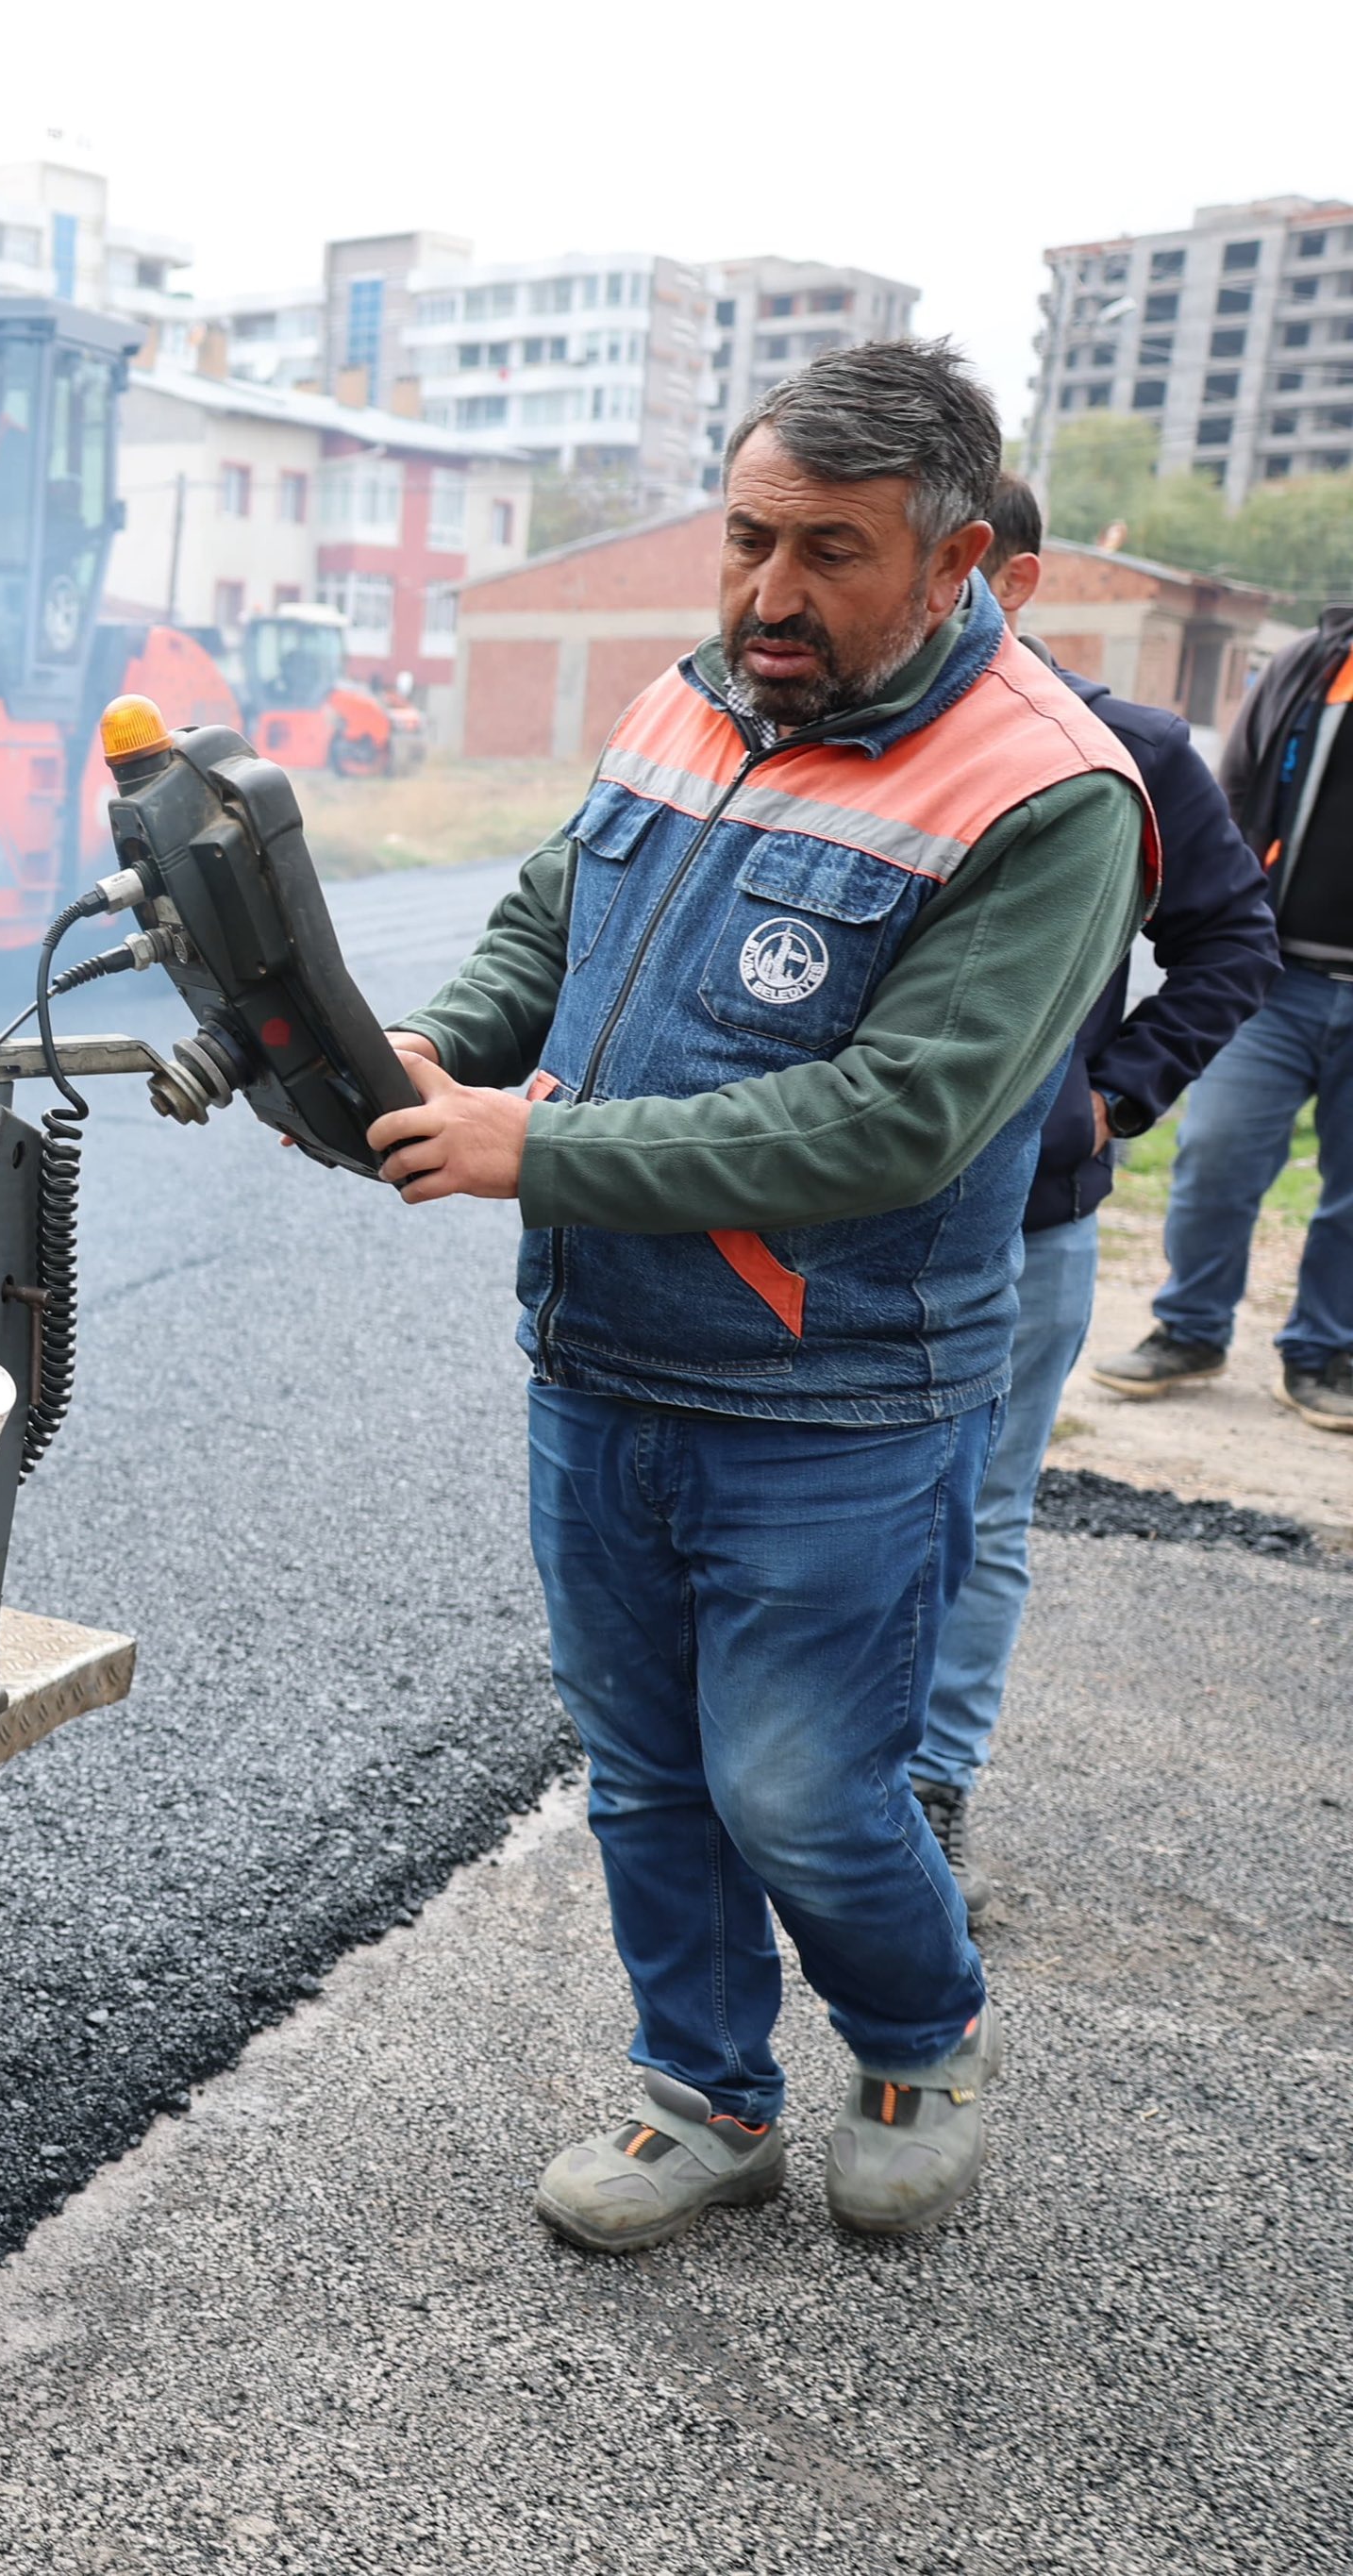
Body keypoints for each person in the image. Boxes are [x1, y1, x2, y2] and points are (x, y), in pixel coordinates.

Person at [368, 342, 1154, 2253]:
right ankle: (701, 2097)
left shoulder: (1049, 803)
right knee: (641, 1778)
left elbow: (892, 1124)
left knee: (799, 1791)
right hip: (599, 1362)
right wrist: (422, 1052)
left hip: (832, 1408)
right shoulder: (690, 697)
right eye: (742, 539)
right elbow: (551, 927)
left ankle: (914, 2042)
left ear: (957, 557)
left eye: (828, 552)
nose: (766, 594)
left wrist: (527, 1155)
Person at [908, 483, 1275, 1911]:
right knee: (812, 1504)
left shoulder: (1123, 752)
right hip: (823, 1214)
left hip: (1026, 1219)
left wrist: (1105, 1097)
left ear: (1013, 574)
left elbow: (1233, 941)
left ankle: (930, 1788)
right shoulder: (834, 744)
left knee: (978, 1512)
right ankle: (795, 1784)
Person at [1094, 591, 1353, 1428]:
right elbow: (1235, 791)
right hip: (1280, 978)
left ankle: (1323, 1352)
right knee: (1214, 1158)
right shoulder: (1316, 663)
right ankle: (1190, 1329)